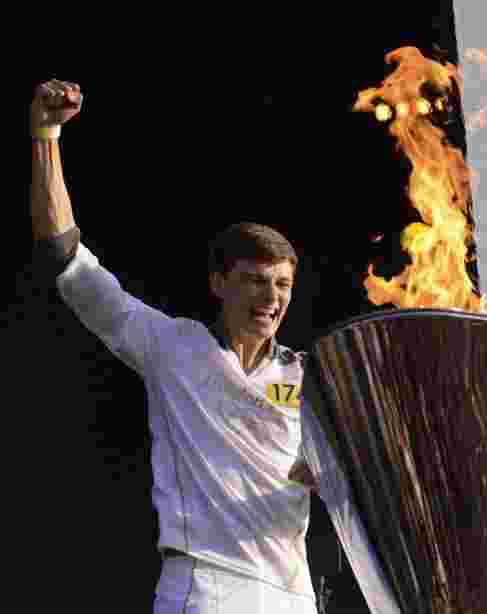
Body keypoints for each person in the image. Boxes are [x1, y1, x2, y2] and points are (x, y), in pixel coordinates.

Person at [29, 78, 321, 613]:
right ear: (219, 283)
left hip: (294, 596)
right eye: (255, 280)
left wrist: (322, 471)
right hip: (208, 587)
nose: (270, 297)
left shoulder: (307, 381)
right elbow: (63, 255)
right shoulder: (172, 347)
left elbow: (332, 475)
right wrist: (46, 133)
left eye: (281, 285)